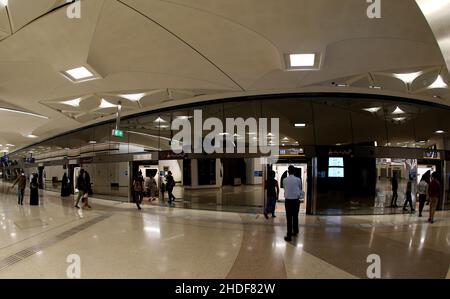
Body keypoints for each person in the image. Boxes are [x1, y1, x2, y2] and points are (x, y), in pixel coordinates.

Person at [282, 165, 303, 242]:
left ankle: (289, 235)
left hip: (288, 201)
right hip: (296, 201)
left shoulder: (284, 180)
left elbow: (285, 188)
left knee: (289, 218)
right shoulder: (298, 179)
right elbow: (300, 188)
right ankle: (295, 231)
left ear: (288, 171)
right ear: (294, 171)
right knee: (295, 216)